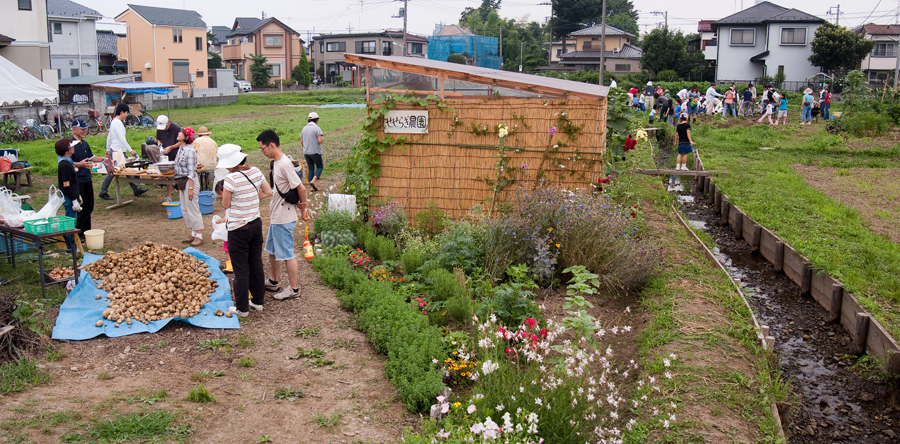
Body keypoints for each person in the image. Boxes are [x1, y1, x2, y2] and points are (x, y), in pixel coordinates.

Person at [218, 144, 273, 317]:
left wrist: (238, 200)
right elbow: (268, 191)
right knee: (256, 263)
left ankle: (242, 308)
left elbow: (225, 204)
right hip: (255, 224)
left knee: (241, 268)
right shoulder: (256, 171)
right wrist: (251, 198)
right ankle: (258, 301)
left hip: (238, 229)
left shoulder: (230, 179)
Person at [259, 130, 309, 301]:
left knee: (287, 254)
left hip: (284, 217)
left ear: (271, 145)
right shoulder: (277, 163)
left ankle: (294, 289)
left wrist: (303, 209)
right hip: (276, 216)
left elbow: (300, 188)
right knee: (273, 250)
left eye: (262, 148)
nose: (262, 152)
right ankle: (273, 281)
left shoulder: (285, 164)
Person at [99, 103, 147, 200]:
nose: (127, 115)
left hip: (116, 149)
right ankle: (103, 191)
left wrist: (108, 149)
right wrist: (130, 150)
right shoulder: (117, 123)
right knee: (113, 171)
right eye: (126, 113)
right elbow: (121, 138)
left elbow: (109, 137)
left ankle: (135, 189)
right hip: (118, 151)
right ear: (121, 112)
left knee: (125, 169)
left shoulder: (114, 122)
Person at [69, 119, 104, 237]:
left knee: (89, 206)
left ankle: (86, 231)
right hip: (77, 180)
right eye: (82, 129)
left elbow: (91, 157)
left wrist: (105, 159)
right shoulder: (70, 145)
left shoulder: (84, 143)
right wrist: (79, 164)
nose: (85, 131)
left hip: (87, 178)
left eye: (85, 129)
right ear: (74, 129)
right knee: (79, 207)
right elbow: (66, 162)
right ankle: (78, 233)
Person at [175, 127, 203, 246]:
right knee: (185, 208)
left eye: (181, 133)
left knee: (192, 207)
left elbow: (192, 172)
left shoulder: (190, 151)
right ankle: (193, 233)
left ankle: (199, 235)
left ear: (186, 137)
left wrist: (190, 189)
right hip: (182, 180)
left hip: (190, 181)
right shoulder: (181, 149)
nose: (178, 133)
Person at [56, 138, 81, 249]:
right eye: (71, 146)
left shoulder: (68, 162)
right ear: (67, 150)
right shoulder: (64, 165)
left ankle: (71, 245)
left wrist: (77, 195)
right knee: (70, 223)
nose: (73, 148)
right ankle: (70, 247)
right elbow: (66, 185)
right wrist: (73, 199)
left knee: (72, 221)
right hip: (68, 197)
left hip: (72, 195)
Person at [157, 115, 183, 201]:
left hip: (176, 152)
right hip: (165, 153)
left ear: (168, 123)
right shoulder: (160, 128)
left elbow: (181, 142)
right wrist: (159, 144)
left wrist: (171, 147)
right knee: (168, 174)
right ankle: (169, 196)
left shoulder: (176, 128)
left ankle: (179, 192)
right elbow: (158, 139)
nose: (163, 129)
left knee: (176, 174)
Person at [301, 112, 325, 191]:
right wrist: (322, 139)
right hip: (315, 152)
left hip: (306, 152)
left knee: (311, 168)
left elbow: (302, 142)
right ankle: (313, 181)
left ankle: (312, 187)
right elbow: (320, 140)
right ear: (316, 120)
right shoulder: (317, 128)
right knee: (320, 167)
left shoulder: (304, 129)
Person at [213, 180, 232, 274]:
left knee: (227, 249)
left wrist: (221, 220)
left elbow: (229, 216)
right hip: (230, 230)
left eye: (221, 193)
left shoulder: (230, 204)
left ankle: (230, 265)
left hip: (230, 231)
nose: (220, 196)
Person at [193, 126, 219, 190]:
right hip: (212, 165)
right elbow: (217, 154)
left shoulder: (196, 141)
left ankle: (198, 184)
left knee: (198, 167)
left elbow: (192, 152)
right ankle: (206, 185)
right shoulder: (213, 142)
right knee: (208, 165)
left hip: (200, 166)